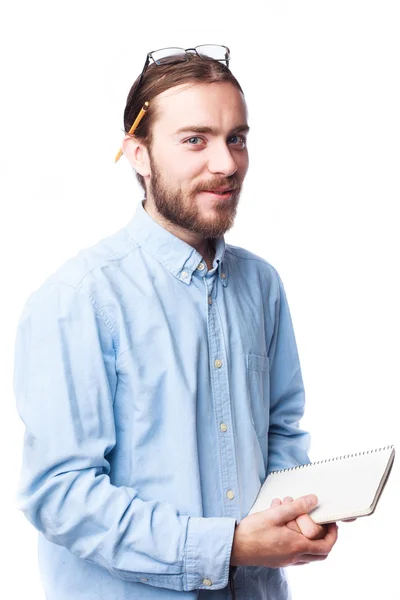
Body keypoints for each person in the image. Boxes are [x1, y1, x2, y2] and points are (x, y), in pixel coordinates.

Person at [14, 45, 338, 600]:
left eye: (236, 137)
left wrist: (297, 513)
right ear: (138, 154)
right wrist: (228, 545)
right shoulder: (79, 297)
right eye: (196, 139)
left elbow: (281, 433)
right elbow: (60, 495)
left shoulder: (262, 286)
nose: (226, 163)